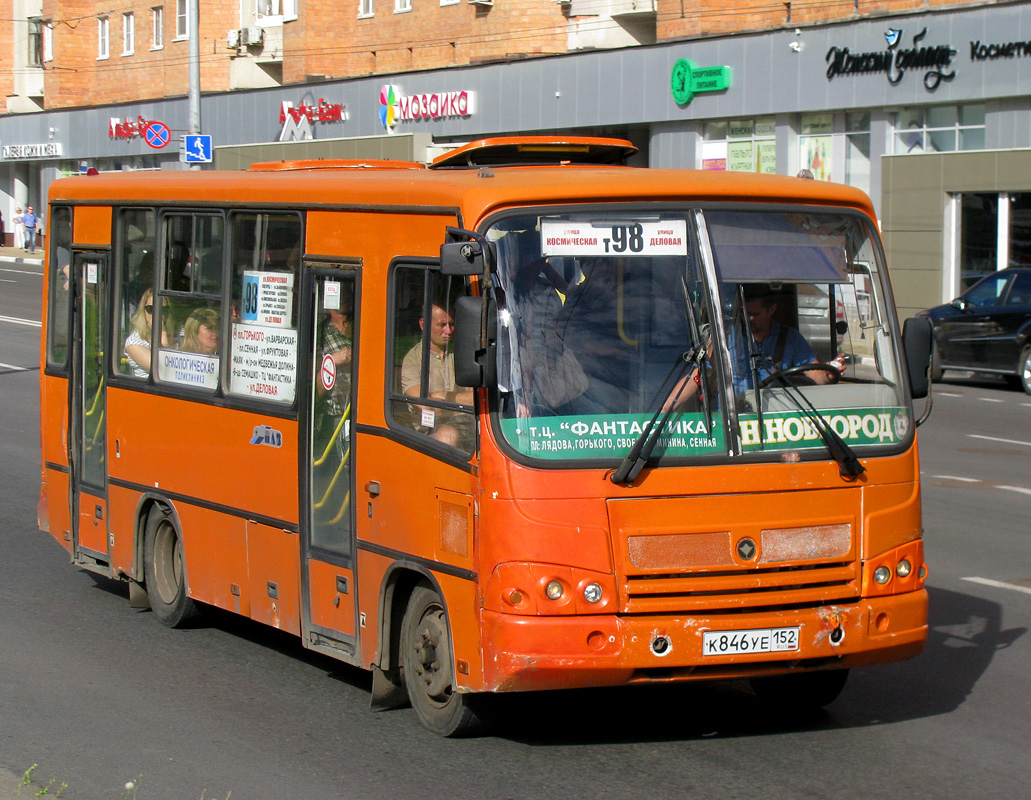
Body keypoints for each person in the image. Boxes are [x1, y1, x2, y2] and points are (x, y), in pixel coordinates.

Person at [663, 287, 843, 411]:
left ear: (771, 310)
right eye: (743, 313)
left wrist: (829, 372)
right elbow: (697, 376)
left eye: (754, 314)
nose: (748, 319)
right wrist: (667, 407)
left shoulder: (791, 338)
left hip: (774, 419)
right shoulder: (725, 338)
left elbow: (816, 374)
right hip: (732, 420)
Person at [400, 303, 474, 446]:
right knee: (448, 436)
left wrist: (445, 396)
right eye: (442, 325)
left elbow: (480, 400)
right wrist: (464, 403)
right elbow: (427, 408)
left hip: (469, 424)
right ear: (423, 324)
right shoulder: (413, 360)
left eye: (452, 324)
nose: (449, 331)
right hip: (430, 430)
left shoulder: (465, 354)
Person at [123, 289, 169, 377]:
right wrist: (162, 331)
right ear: (143, 310)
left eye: (163, 309)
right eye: (151, 309)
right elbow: (163, 367)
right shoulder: (134, 343)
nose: (158, 314)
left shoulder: (177, 332)